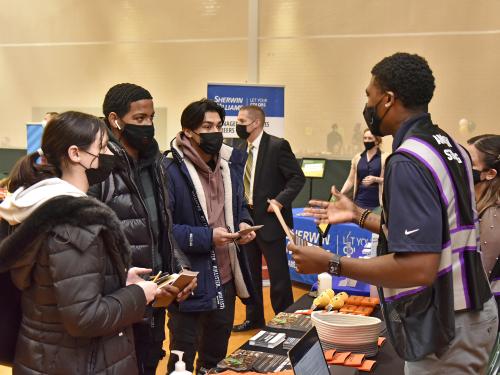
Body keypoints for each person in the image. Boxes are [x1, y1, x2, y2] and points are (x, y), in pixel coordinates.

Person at [289, 53, 498, 374]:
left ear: (387, 100)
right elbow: (434, 234)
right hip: (470, 314)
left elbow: (418, 267)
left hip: (449, 323)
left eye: (370, 96)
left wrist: (329, 262)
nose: (368, 105)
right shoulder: (449, 146)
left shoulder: (408, 160)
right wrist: (360, 216)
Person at [0, 111, 159, 374]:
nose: (109, 154)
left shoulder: (32, 205)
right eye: (103, 147)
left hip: (45, 356)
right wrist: (139, 295)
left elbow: (56, 286)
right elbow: (84, 318)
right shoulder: (75, 221)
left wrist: (117, 279)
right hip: (78, 362)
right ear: (75, 154)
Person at [89, 83, 195, 375]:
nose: (148, 125)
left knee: (149, 362)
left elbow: (163, 227)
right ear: (114, 120)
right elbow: (90, 243)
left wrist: (179, 270)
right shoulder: (98, 166)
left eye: (151, 118)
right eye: (139, 119)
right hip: (116, 301)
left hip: (154, 297)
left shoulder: (156, 163)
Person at [162, 99, 257, 374]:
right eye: (207, 126)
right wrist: (207, 237)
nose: (215, 132)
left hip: (225, 278)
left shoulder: (229, 166)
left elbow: (238, 206)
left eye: (218, 126)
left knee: (215, 360)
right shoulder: (169, 170)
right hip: (189, 279)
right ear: (188, 131)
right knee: (181, 361)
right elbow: (165, 230)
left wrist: (243, 222)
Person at [232, 105, 306, 332]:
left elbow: (296, 178)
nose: (238, 124)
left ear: (255, 123)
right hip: (247, 219)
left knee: (279, 275)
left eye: (242, 120)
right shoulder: (239, 148)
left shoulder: (277, 146)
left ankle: (284, 321)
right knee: (250, 273)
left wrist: (280, 201)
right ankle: (254, 318)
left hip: (271, 221)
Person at [466, 134, 500, 311]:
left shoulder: (493, 213)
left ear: (490, 173)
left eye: (470, 163)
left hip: (485, 309)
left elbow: (481, 276)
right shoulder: (472, 204)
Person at [340, 128, 388, 210]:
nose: (366, 141)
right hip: (359, 201)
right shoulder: (357, 157)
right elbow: (350, 180)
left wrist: (376, 179)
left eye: (370, 138)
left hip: (377, 204)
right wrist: (340, 193)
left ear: (377, 141)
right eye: (365, 138)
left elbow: (390, 180)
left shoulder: (385, 157)